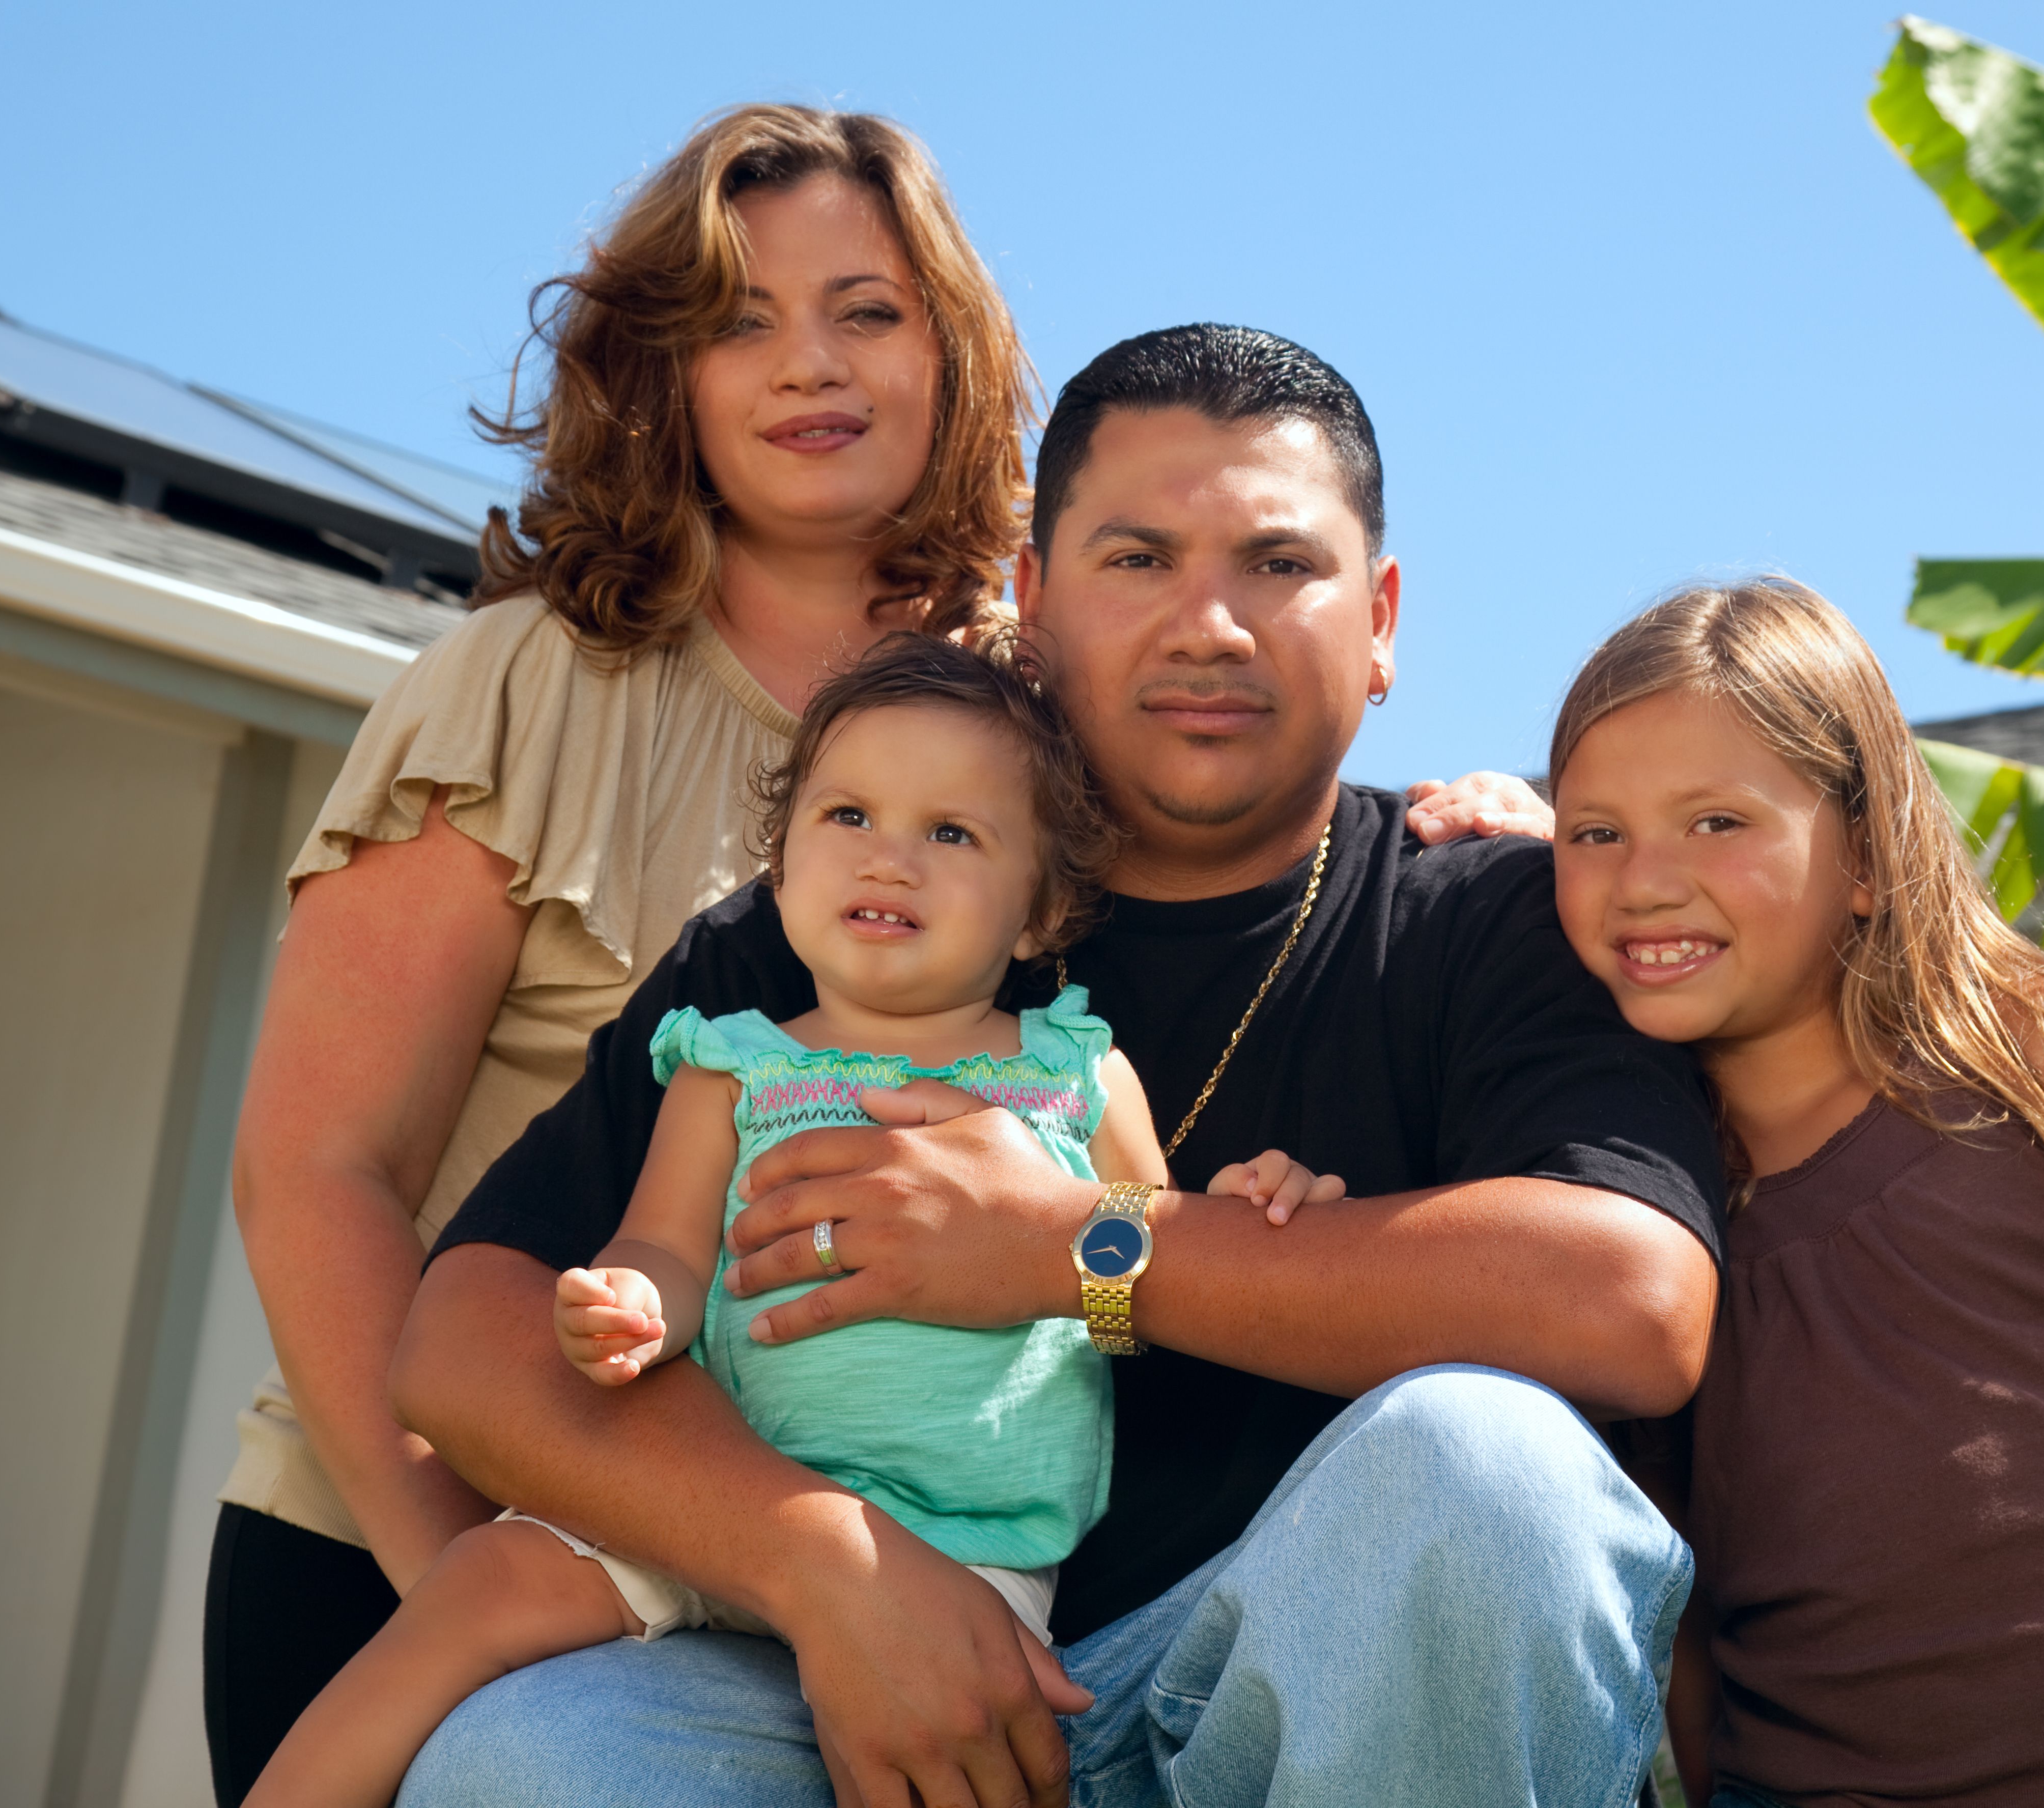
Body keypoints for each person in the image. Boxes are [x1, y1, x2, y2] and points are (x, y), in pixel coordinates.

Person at [209, 107, 1528, 1800]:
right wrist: (483, 1566)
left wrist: (1498, 812)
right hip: (448, 1519)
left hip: (892, 1547)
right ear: (657, 372)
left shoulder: (1037, 696)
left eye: (867, 310)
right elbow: (319, 1174)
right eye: (738, 320)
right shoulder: (522, 688)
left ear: (952, 350)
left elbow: (1259, 772)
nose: (807, 364)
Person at [387, 324, 1728, 1807]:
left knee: (1492, 1470)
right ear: (1031, 603)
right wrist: (825, 1564)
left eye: (1279, 565)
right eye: (1138, 559)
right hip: (836, 1679)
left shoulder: (1481, 914)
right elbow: (466, 1342)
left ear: (1383, 619)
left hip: (1275, 1694)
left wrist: (1065, 1248)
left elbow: (1634, 1302)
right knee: (527, 1761)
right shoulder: (851, 906)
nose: (1210, 625)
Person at [248, 634, 1348, 1808]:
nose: (892, 859)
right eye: (849, 817)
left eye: (952, 833)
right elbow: (664, 1247)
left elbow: (1140, 1278)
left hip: (970, 1543)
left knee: (934, 1758)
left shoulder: (1074, 1077)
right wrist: (630, 1306)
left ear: (1042, 910)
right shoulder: (734, 1068)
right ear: (779, 871)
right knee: (482, 1585)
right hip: (730, 1511)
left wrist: (1242, 1212)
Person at [1548, 580, 2044, 1808]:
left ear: (1871, 856)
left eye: (1718, 822)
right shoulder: (1639, 1210)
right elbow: (1690, 1639)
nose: (1645, 881)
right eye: (1592, 833)